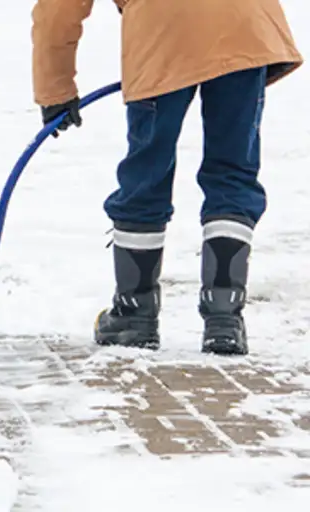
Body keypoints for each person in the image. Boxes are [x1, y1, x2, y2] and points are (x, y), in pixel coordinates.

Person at [31, 0, 303, 355]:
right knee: (233, 171)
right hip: (244, 24)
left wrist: (56, 92)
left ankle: (134, 315)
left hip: (163, 31)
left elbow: (57, 9)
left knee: (147, 171)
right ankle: (225, 317)